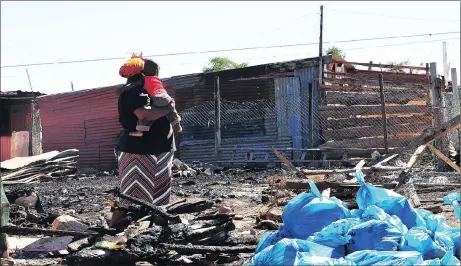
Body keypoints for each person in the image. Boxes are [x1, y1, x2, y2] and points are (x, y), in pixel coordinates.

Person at [111, 55, 176, 227]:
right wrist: (169, 108)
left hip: (160, 148)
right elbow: (143, 114)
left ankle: (160, 234)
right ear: (141, 72)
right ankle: (111, 231)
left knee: (160, 197)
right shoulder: (134, 90)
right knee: (129, 196)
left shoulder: (148, 88)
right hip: (138, 150)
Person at [130, 59, 182, 137]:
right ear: (156, 72)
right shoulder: (157, 79)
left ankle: (140, 131)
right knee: (172, 111)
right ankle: (178, 126)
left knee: (148, 114)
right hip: (166, 97)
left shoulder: (143, 80)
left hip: (155, 98)